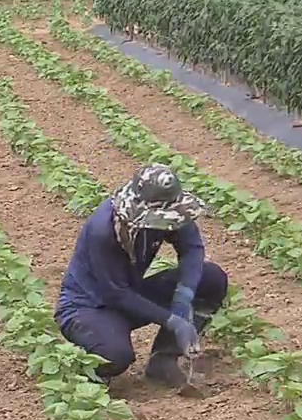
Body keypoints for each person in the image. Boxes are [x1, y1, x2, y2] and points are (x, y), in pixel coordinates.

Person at [56, 164, 228, 388]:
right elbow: (114, 293)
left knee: (211, 278)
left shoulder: (167, 214)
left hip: (129, 293)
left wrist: (183, 299)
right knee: (115, 355)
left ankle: (164, 360)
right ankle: (87, 375)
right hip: (89, 306)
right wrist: (173, 321)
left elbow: (192, 249)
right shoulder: (105, 230)